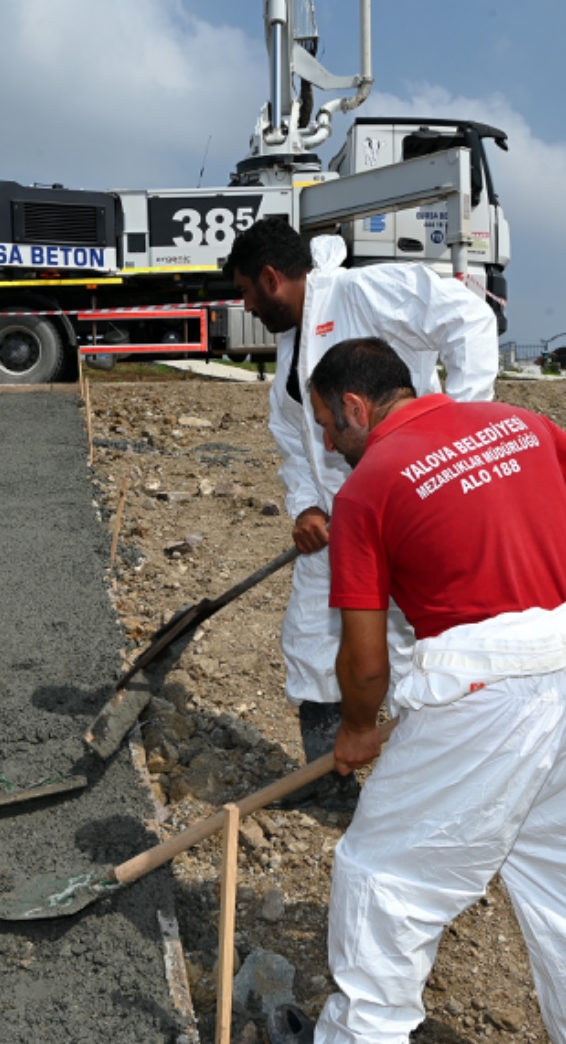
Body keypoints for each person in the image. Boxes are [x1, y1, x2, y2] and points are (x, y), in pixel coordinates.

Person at [274, 338, 566, 1044]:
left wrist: (358, 730)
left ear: (356, 407)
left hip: (486, 703)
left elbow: (365, 663)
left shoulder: (367, 489)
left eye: (328, 426)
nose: (329, 445)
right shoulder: (517, 422)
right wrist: (563, 616)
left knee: (384, 882)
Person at [222, 218, 498, 806]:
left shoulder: (362, 292)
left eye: (245, 292)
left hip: (405, 507)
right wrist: (305, 505)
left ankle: (415, 790)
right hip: (337, 524)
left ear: (270, 279)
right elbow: (293, 437)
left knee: (411, 648)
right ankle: (331, 784)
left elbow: (471, 320)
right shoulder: (291, 343)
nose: (246, 306)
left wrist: (457, 431)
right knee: (310, 640)